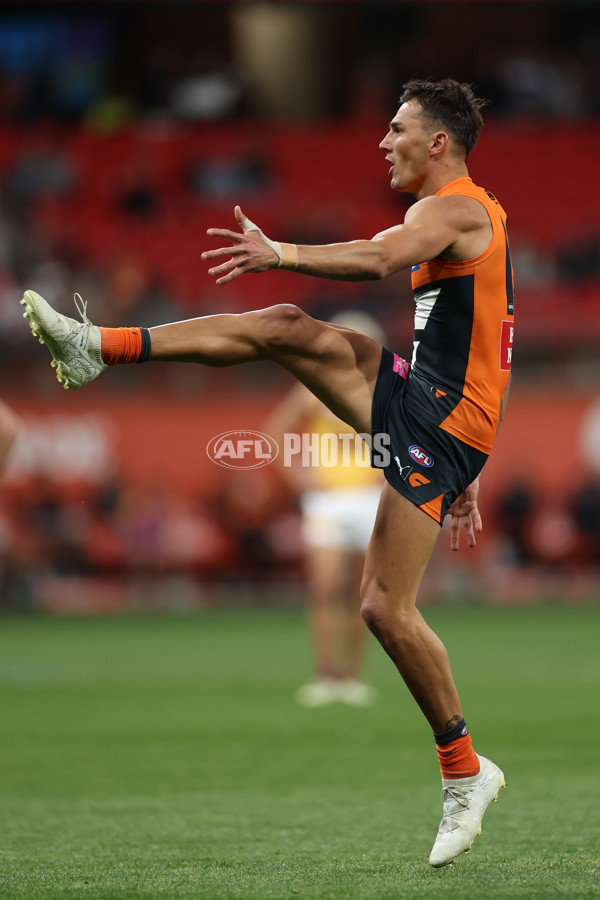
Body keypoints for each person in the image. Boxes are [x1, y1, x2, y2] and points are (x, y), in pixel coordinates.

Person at [21, 77, 513, 868]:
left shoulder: (452, 208)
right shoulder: (470, 217)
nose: (383, 142)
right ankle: (97, 346)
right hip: (436, 406)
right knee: (285, 327)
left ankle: (465, 771)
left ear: (438, 143)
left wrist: (280, 251)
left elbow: (381, 257)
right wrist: (472, 462)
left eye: (397, 129)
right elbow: (488, 338)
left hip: (441, 421)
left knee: (385, 608)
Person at [266, 311, 385, 708]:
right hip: (327, 502)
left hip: (370, 500)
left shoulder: (379, 390)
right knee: (325, 589)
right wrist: (298, 478)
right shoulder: (312, 388)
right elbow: (274, 433)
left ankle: (351, 677)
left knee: (361, 594)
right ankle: (325, 674)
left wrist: (388, 476)